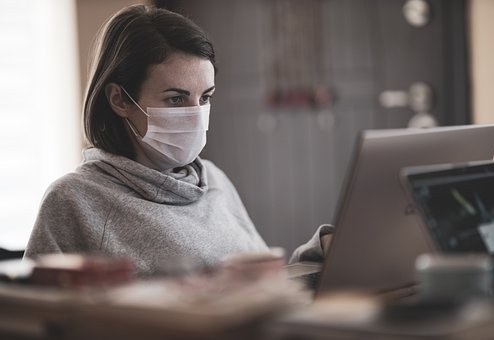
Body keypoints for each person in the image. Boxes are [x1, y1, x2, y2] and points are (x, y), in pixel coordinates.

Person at [24, 4, 332, 277]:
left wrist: (321, 253)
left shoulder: (214, 180)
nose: (196, 115)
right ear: (119, 99)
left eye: (205, 97)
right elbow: (31, 319)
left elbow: (263, 286)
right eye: (175, 99)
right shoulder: (73, 200)